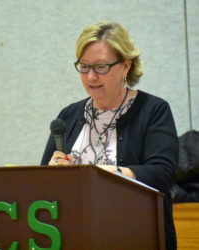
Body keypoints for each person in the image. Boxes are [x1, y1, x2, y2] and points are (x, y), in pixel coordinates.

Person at [41, 21, 178, 250]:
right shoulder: (69, 115)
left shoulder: (153, 110)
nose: (90, 77)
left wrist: (107, 174)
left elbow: (162, 173)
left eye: (101, 67)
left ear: (125, 66)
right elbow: (43, 186)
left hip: (135, 239)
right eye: (84, 67)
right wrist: (51, 173)